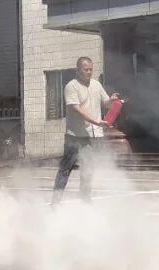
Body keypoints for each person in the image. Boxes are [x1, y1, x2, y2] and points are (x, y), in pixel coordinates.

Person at [52, 57, 121, 205]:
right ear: (78, 70)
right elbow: (77, 109)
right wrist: (95, 121)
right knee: (66, 169)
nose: (89, 72)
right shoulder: (72, 86)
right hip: (74, 136)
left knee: (88, 169)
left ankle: (85, 200)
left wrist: (112, 101)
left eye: (90, 69)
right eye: (85, 69)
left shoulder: (96, 84)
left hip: (91, 136)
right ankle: (55, 202)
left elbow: (106, 102)